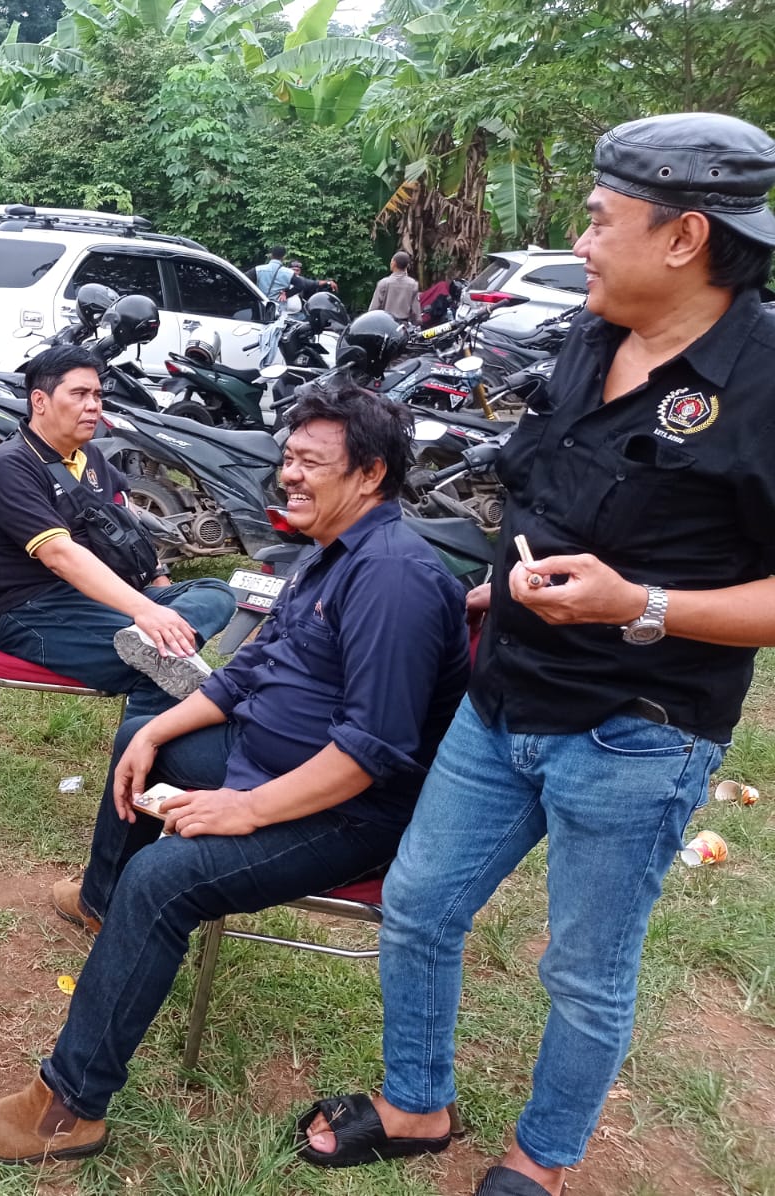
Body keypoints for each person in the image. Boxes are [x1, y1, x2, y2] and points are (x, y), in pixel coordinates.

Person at [299, 112, 775, 1196]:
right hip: (503, 692)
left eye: (600, 220)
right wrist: (500, 583)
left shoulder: (763, 382)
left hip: (635, 734)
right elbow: (547, 488)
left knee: (584, 971)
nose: (580, 239)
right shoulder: (594, 335)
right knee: (420, 903)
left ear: (684, 237)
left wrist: (640, 603)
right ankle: (416, 1103)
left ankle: (540, 1161)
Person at [0, 381, 471, 1163]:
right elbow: (250, 670)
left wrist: (243, 810)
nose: (290, 475)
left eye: (312, 462)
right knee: (144, 737)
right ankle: (100, 904)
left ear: (371, 475)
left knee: (162, 879)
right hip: (267, 757)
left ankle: (67, 1110)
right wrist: (157, 728)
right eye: (289, 457)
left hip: (346, 811)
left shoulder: (393, 578)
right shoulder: (330, 551)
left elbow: (370, 753)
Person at [0, 344, 235, 717]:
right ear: (40, 401)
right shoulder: (10, 465)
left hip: (98, 596)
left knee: (216, 592)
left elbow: (125, 517)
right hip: (29, 610)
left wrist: (156, 580)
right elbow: (59, 555)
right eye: (79, 394)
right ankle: (142, 746)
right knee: (160, 669)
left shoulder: (89, 455)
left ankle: (149, 643)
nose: (93, 405)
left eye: (96, 395)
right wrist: (145, 610)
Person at [368, 250, 422, 323]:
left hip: (385, 323)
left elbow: (373, 309)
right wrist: (418, 322)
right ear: (406, 266)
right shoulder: (413, 284)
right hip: (403, 325)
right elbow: (416, 311)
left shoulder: (383, 283)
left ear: (394, 263)